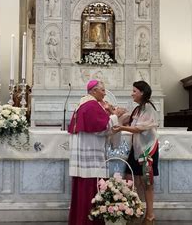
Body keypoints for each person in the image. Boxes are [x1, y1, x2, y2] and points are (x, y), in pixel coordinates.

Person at [67, 80, 120, 225]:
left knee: (82, 192)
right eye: (102, 90)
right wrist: (115, 116)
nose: (104, 93)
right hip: (91, 159)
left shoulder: (83, 104)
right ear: (94, 91)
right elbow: (103, 128)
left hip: (84, 157)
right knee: (90, 191)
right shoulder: (91, 105)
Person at [113, 80, 159, 224]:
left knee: (147, 183)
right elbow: (128, 121)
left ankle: (150, 216)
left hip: (147, 152)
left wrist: (121, 129)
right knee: (129, 179)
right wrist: (114, 112)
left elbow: (139, 128)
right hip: (136, 150)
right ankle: (130, 213)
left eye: (134, 91)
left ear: (142, 92)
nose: (131, 94)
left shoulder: (148, 108)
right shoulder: (138, 108)